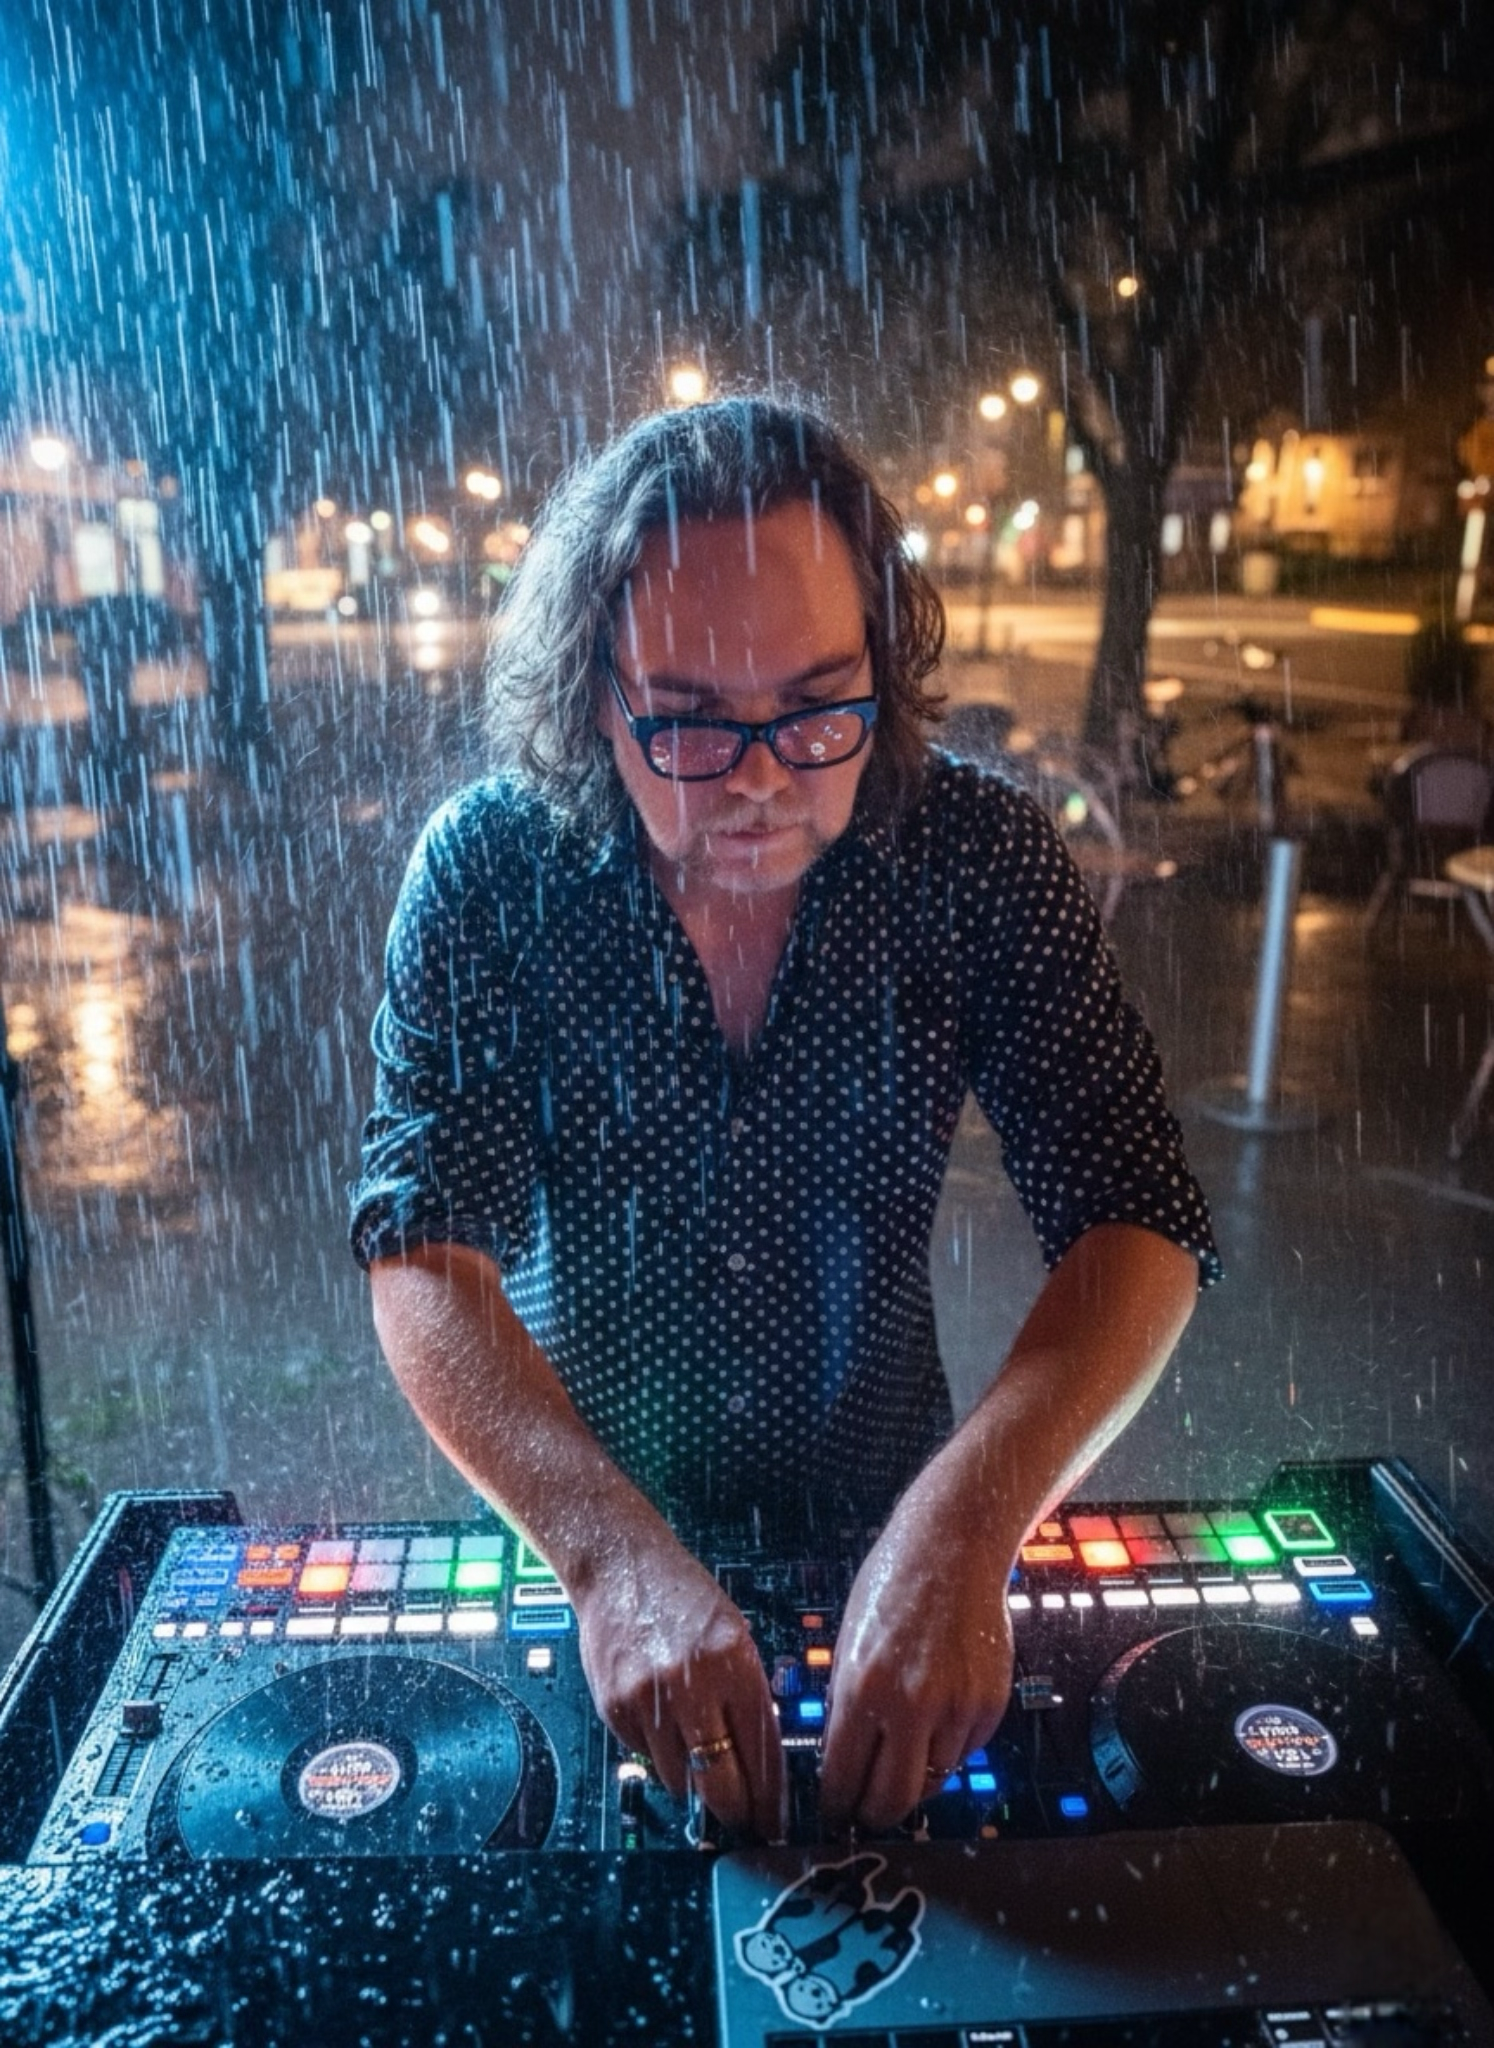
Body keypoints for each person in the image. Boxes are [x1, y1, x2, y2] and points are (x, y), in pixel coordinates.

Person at [350, 395, 1219, 1842]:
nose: (760, 778)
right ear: (593, 694)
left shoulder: (977, 856)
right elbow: (422, 1251)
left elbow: (1138, 1215)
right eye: (689, 722)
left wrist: (967, 1525)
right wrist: (606, 1560)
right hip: (569, 1523)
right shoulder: (492, 872)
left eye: (819, 708)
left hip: (893, 1515)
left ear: (883, 660)